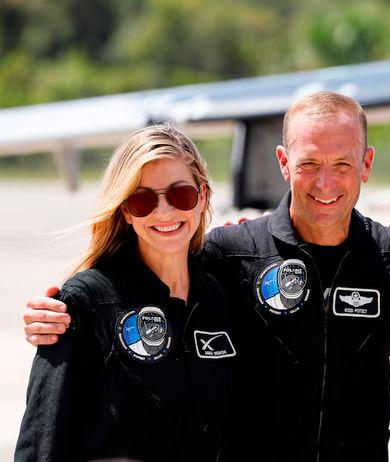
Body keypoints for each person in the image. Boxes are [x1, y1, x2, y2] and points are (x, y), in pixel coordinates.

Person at [21, 91, 390, 462]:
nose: (326, 182)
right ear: (283, 163)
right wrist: (60, 312)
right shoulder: (231, 257)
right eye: (309, 164)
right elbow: (45, 435)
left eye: (181, 196)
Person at [15, 125, 235, 461]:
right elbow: (42, 444)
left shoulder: (223, 295)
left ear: (202, 196)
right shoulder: (85, 302)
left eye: (181, 195)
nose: (164, 212)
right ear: (126, 211)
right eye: (143, 200)